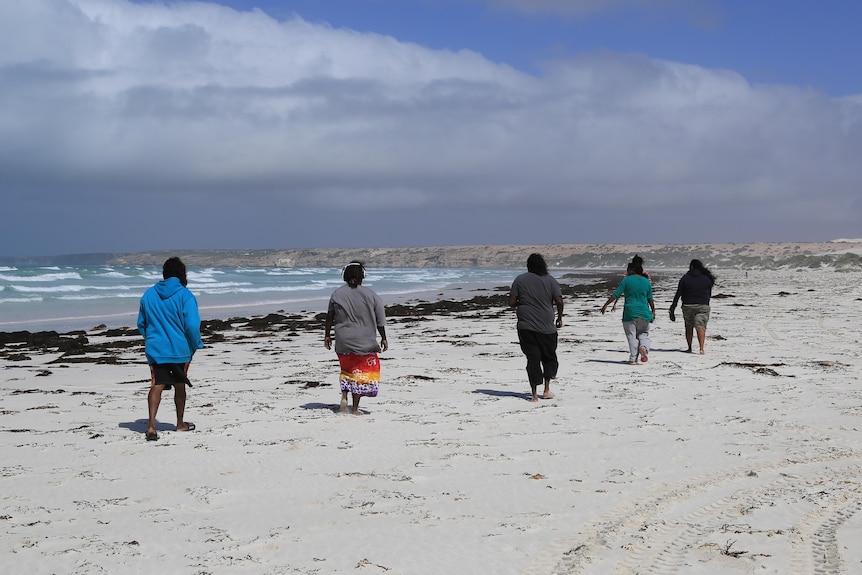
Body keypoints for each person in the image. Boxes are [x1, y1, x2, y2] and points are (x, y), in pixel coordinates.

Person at [138, 257, 204, 441]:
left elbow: (141, 323)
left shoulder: (148, 295)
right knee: (179, 385)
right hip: (180, 349)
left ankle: (151, 426)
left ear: (164, 274)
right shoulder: (185, 295)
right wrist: (196, 343)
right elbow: (191, 325)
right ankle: (180, 423)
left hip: (155, 348)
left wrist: (151, 339)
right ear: (182, 275)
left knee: (156, 384)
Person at [324, 261, 388, 415]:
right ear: (362, 276)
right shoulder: (371, 295)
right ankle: (355, 408)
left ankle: (344, 395)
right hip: (364, 342)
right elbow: (380, 320)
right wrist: (384, 338)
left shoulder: (336, 294)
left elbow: (329, 317)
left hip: (343, 340)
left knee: (346, 369)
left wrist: (327, 336)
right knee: (360, 373)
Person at [508, 253, 564, 402]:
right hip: (547, 326)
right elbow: (559, 300)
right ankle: (546, 389)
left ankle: (534, 395)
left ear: (528, 266)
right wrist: (560, 317)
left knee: (533, 358)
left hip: (526, 326)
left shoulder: (520, 280)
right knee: (549, 356)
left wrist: (522, 301)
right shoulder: (551, 280)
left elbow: (511, 302)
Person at [601, 261, 655, 364]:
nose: (627, 271)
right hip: (644, 312)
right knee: (643, 334)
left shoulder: (626, 280)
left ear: (632, 270)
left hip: (630, 313)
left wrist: (606, 304)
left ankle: (632, 359)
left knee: (631, 335)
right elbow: (650, 298)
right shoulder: (646, 281)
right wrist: (653, 311)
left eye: (628, 269)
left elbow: (616, 294)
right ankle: (644, 347)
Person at [669, 259, 716, 354]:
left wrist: (673, 307)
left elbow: (678, 293)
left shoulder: (685, 278)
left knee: (689, 326)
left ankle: (690, 347)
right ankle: (701, 348)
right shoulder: (707, 278)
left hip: (688, 305)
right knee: (700, 326)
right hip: (703, 305)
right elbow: (709, 293)